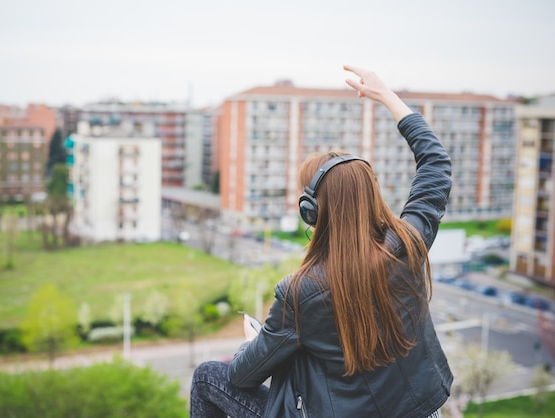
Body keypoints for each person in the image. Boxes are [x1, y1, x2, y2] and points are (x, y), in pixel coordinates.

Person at [190, 65, 453, 418]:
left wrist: (254, 344)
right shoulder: (409, 242)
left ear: (311, 212)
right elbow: (435, 162)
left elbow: (242, 375)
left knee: (208, 377)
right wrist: (388, 97)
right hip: (420, 412)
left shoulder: (299, 294)